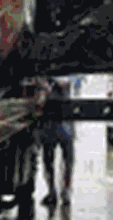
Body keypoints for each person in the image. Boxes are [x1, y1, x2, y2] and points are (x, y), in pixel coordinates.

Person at [38, 77, 75, 206]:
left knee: (66, 160)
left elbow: (65, 82)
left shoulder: (63, 75)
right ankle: (53, 192)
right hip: (53, 123)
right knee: (49, 160)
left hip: (61, 123)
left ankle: (64, 191)